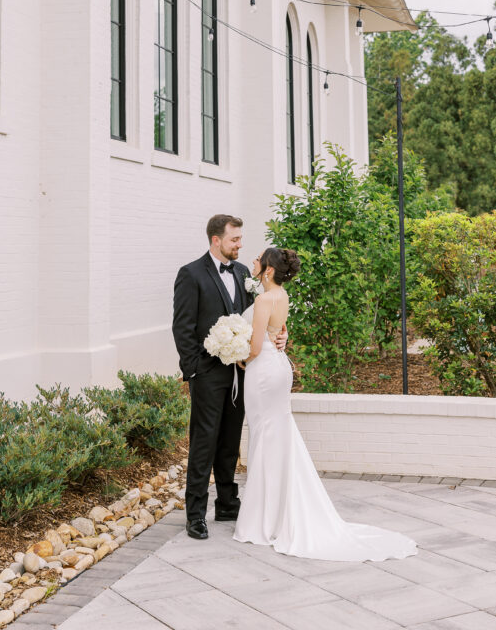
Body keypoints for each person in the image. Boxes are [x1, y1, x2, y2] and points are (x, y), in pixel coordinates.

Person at [233, 246, 417, 562]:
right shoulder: (283, 297)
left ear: (269, 271)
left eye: (259, 260)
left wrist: (235, 357)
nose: (254, 261)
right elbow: (279, 332)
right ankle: (275, 511)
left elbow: (254, 345)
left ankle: (264, 519)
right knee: (276, 436)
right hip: (279, 367)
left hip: (262, 371)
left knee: (263, 437)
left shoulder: (264, 300)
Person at [172, 215, 287, 540]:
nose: (239, 244)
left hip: (243, 373)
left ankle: (226, 502)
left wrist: (280, 335)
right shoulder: (191, 274)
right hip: (208, 373)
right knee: (204, 442)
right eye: (234, 239)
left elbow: (260, 316)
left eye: (240, 238)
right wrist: (193, 369)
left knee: (230, 440)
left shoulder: (242, 273)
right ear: (216, 240)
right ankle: (196, 514)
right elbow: (183, 326)